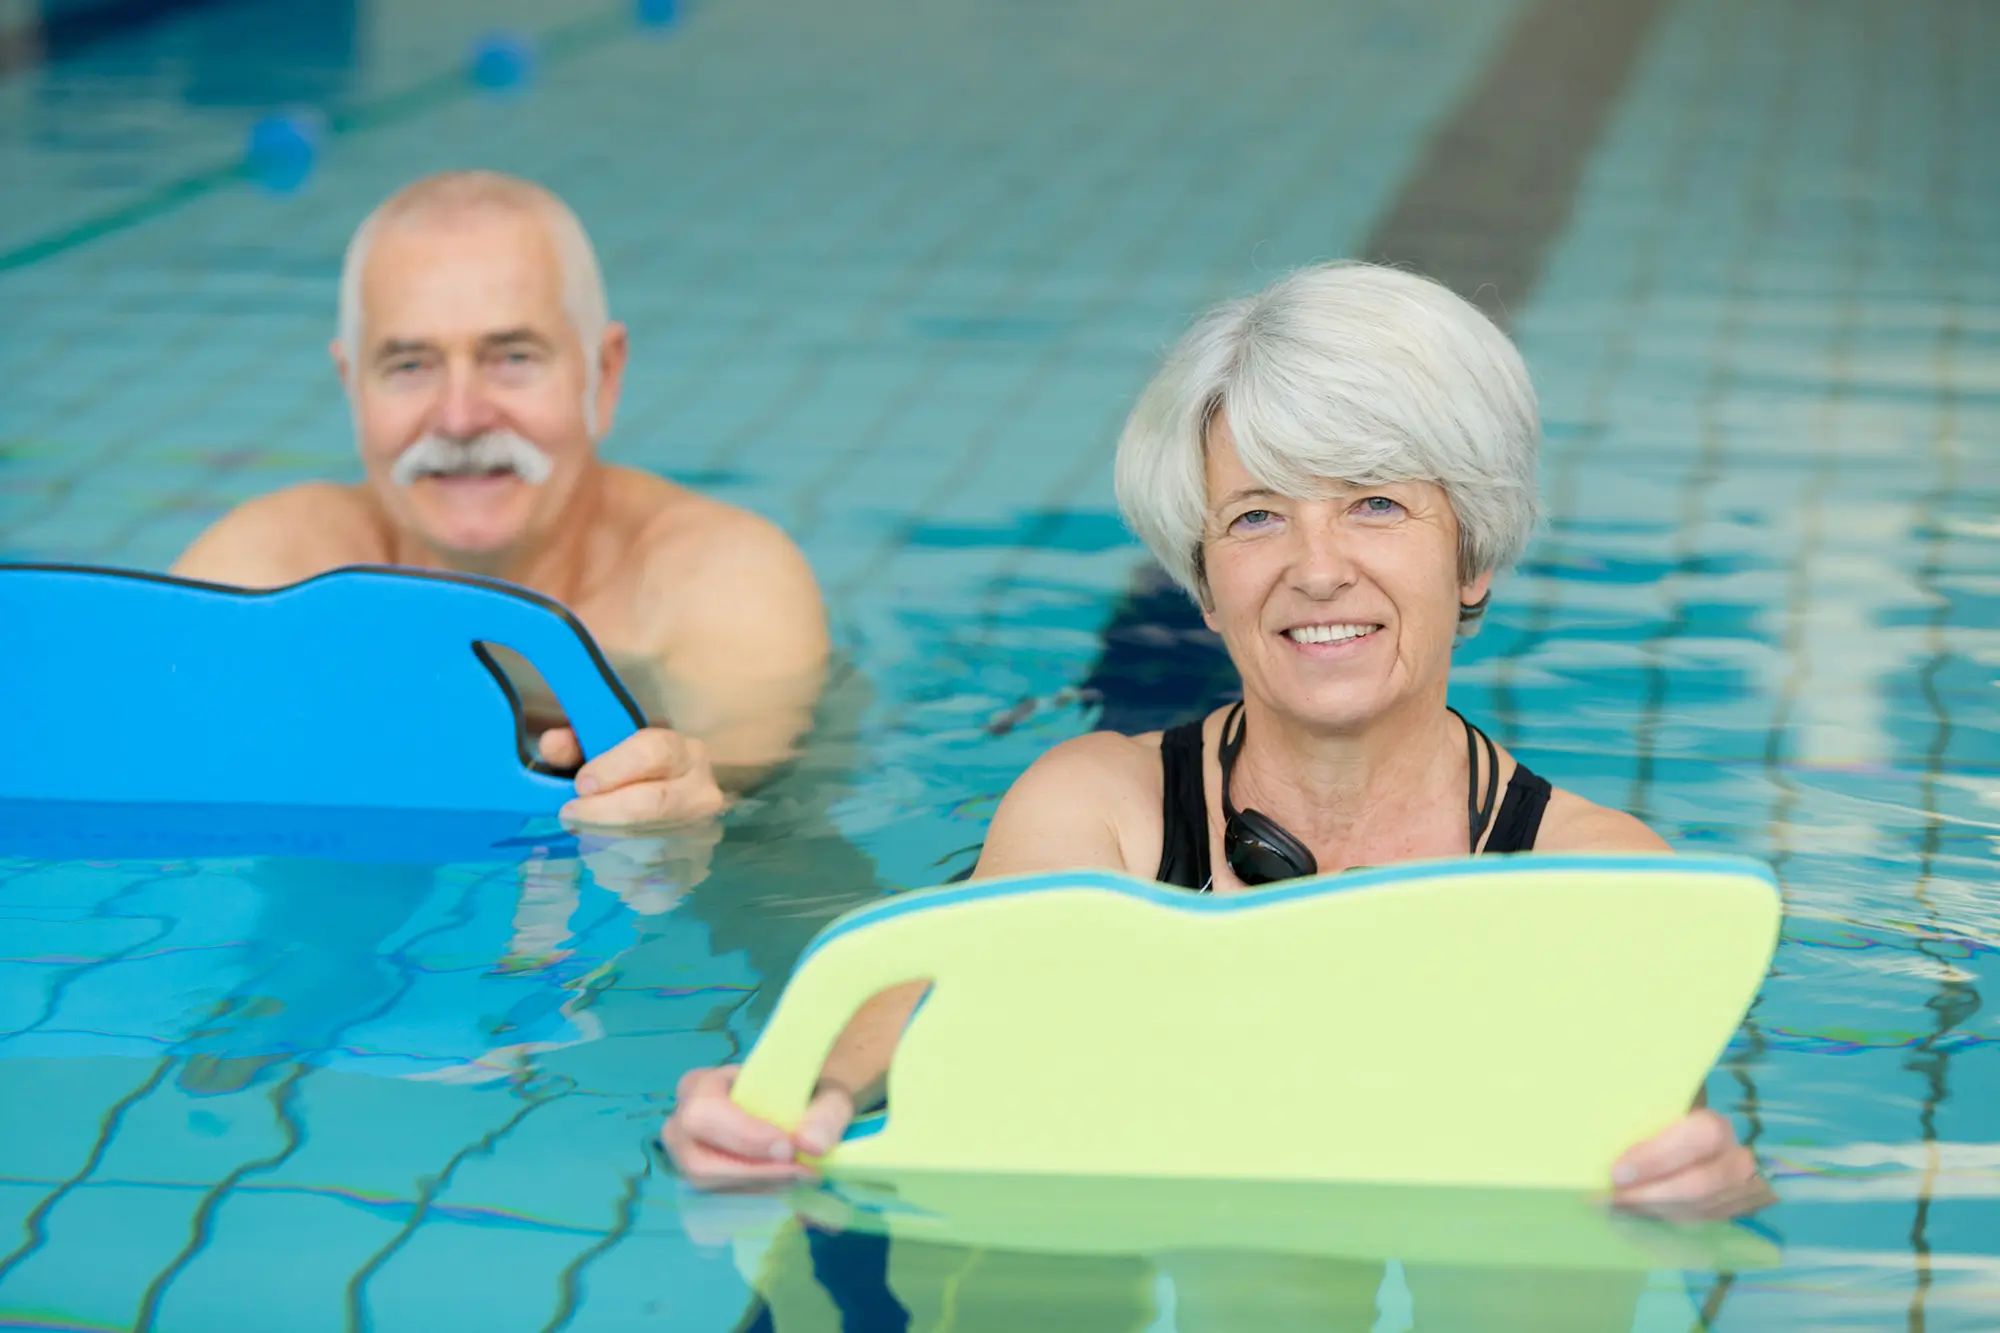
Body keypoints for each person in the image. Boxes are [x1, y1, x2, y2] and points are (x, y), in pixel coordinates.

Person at [661, 261, 1771, 1220]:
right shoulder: (1103, 813)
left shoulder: (1585, 875)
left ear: (1470, 554)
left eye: (1374, 504)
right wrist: (769, 1111)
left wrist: (1709, 1185)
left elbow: (1668, 1157)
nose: (1317, 565)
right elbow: (912, 1016)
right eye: (1254, 515)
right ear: (1202, 584)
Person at [171, 171, 829, 826]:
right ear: (352, 388)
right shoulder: (266, 574)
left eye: (512, 357)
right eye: (409, 366)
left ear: (604, 375)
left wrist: (698, 811)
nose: (460, 418)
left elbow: (760, 818)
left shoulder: (720, 582)